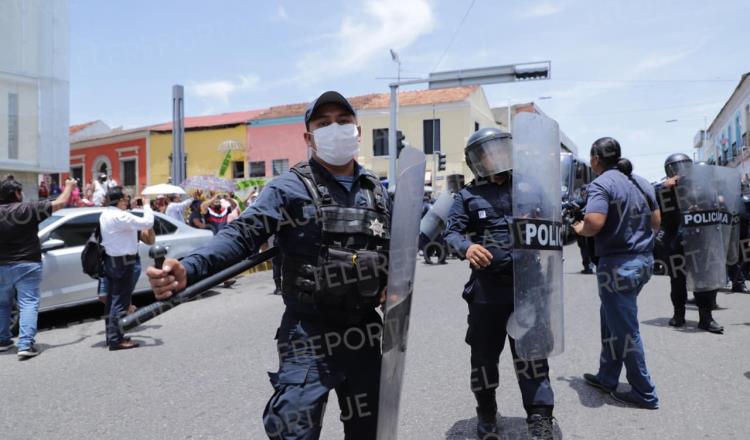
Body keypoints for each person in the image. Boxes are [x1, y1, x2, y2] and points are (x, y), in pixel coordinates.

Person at [147, 91, 391, 439]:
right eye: (323, 123)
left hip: (365, 332)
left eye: (343, 121)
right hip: (309, 333)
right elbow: (240, 235)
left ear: (358, 130)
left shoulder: (378, 192)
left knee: (368, 430)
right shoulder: (288, 187)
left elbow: (395, 251)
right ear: (308, 138)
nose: (334, 128)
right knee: (292, 430)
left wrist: (388, 283)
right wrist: (191, 267)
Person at [444, 127, 556, 440]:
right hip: (487, 293)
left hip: (529, 288)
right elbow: (450, 232)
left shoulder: (530, 186)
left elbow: (553, 220)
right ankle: (487, 413)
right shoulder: (467, 195)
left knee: (532, 356)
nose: (494, 156)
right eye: (486, 152)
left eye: (498, 148)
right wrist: (465, 247)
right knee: (483, 358)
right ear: (476, 160)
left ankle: (540, 417)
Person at [573, 137, 661, 410]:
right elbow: (656, 221)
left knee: (626, 331)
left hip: (617, 268)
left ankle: (644, 393)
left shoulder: (602, 183)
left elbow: (594, 223)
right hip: (643, 262)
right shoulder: (641, 182)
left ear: (596, 159)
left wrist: (578, 228)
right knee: (610, 320)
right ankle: (607, 377)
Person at [0, 177, 76, 359]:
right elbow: (61, 202)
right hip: (27, 264)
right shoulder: (29, 208)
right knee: (28, 303)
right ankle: (25, 344)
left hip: (2, 266)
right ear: (17, 193)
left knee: (2, 305)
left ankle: (3, 341)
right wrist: (69, 186)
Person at [99, 187, 154, 350]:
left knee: (112, 300)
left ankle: (112, 336)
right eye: (126, 198)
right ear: (120, 201)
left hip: (111, 260)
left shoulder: (106, 214)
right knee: (120, 301)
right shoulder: (120, 215)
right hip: (124, 262)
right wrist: (146, 205)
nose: (128, 201)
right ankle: (116, 339)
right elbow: (148, 223)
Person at [573, 185, 594, 274]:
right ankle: (588, 266)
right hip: (582, 227)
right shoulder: (579, 201)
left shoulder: (592, 200)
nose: (584, 192)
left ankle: (589, 265)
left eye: (585, 191)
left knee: (588, 247)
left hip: (588, 227)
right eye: (583, 191)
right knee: (584, 246)